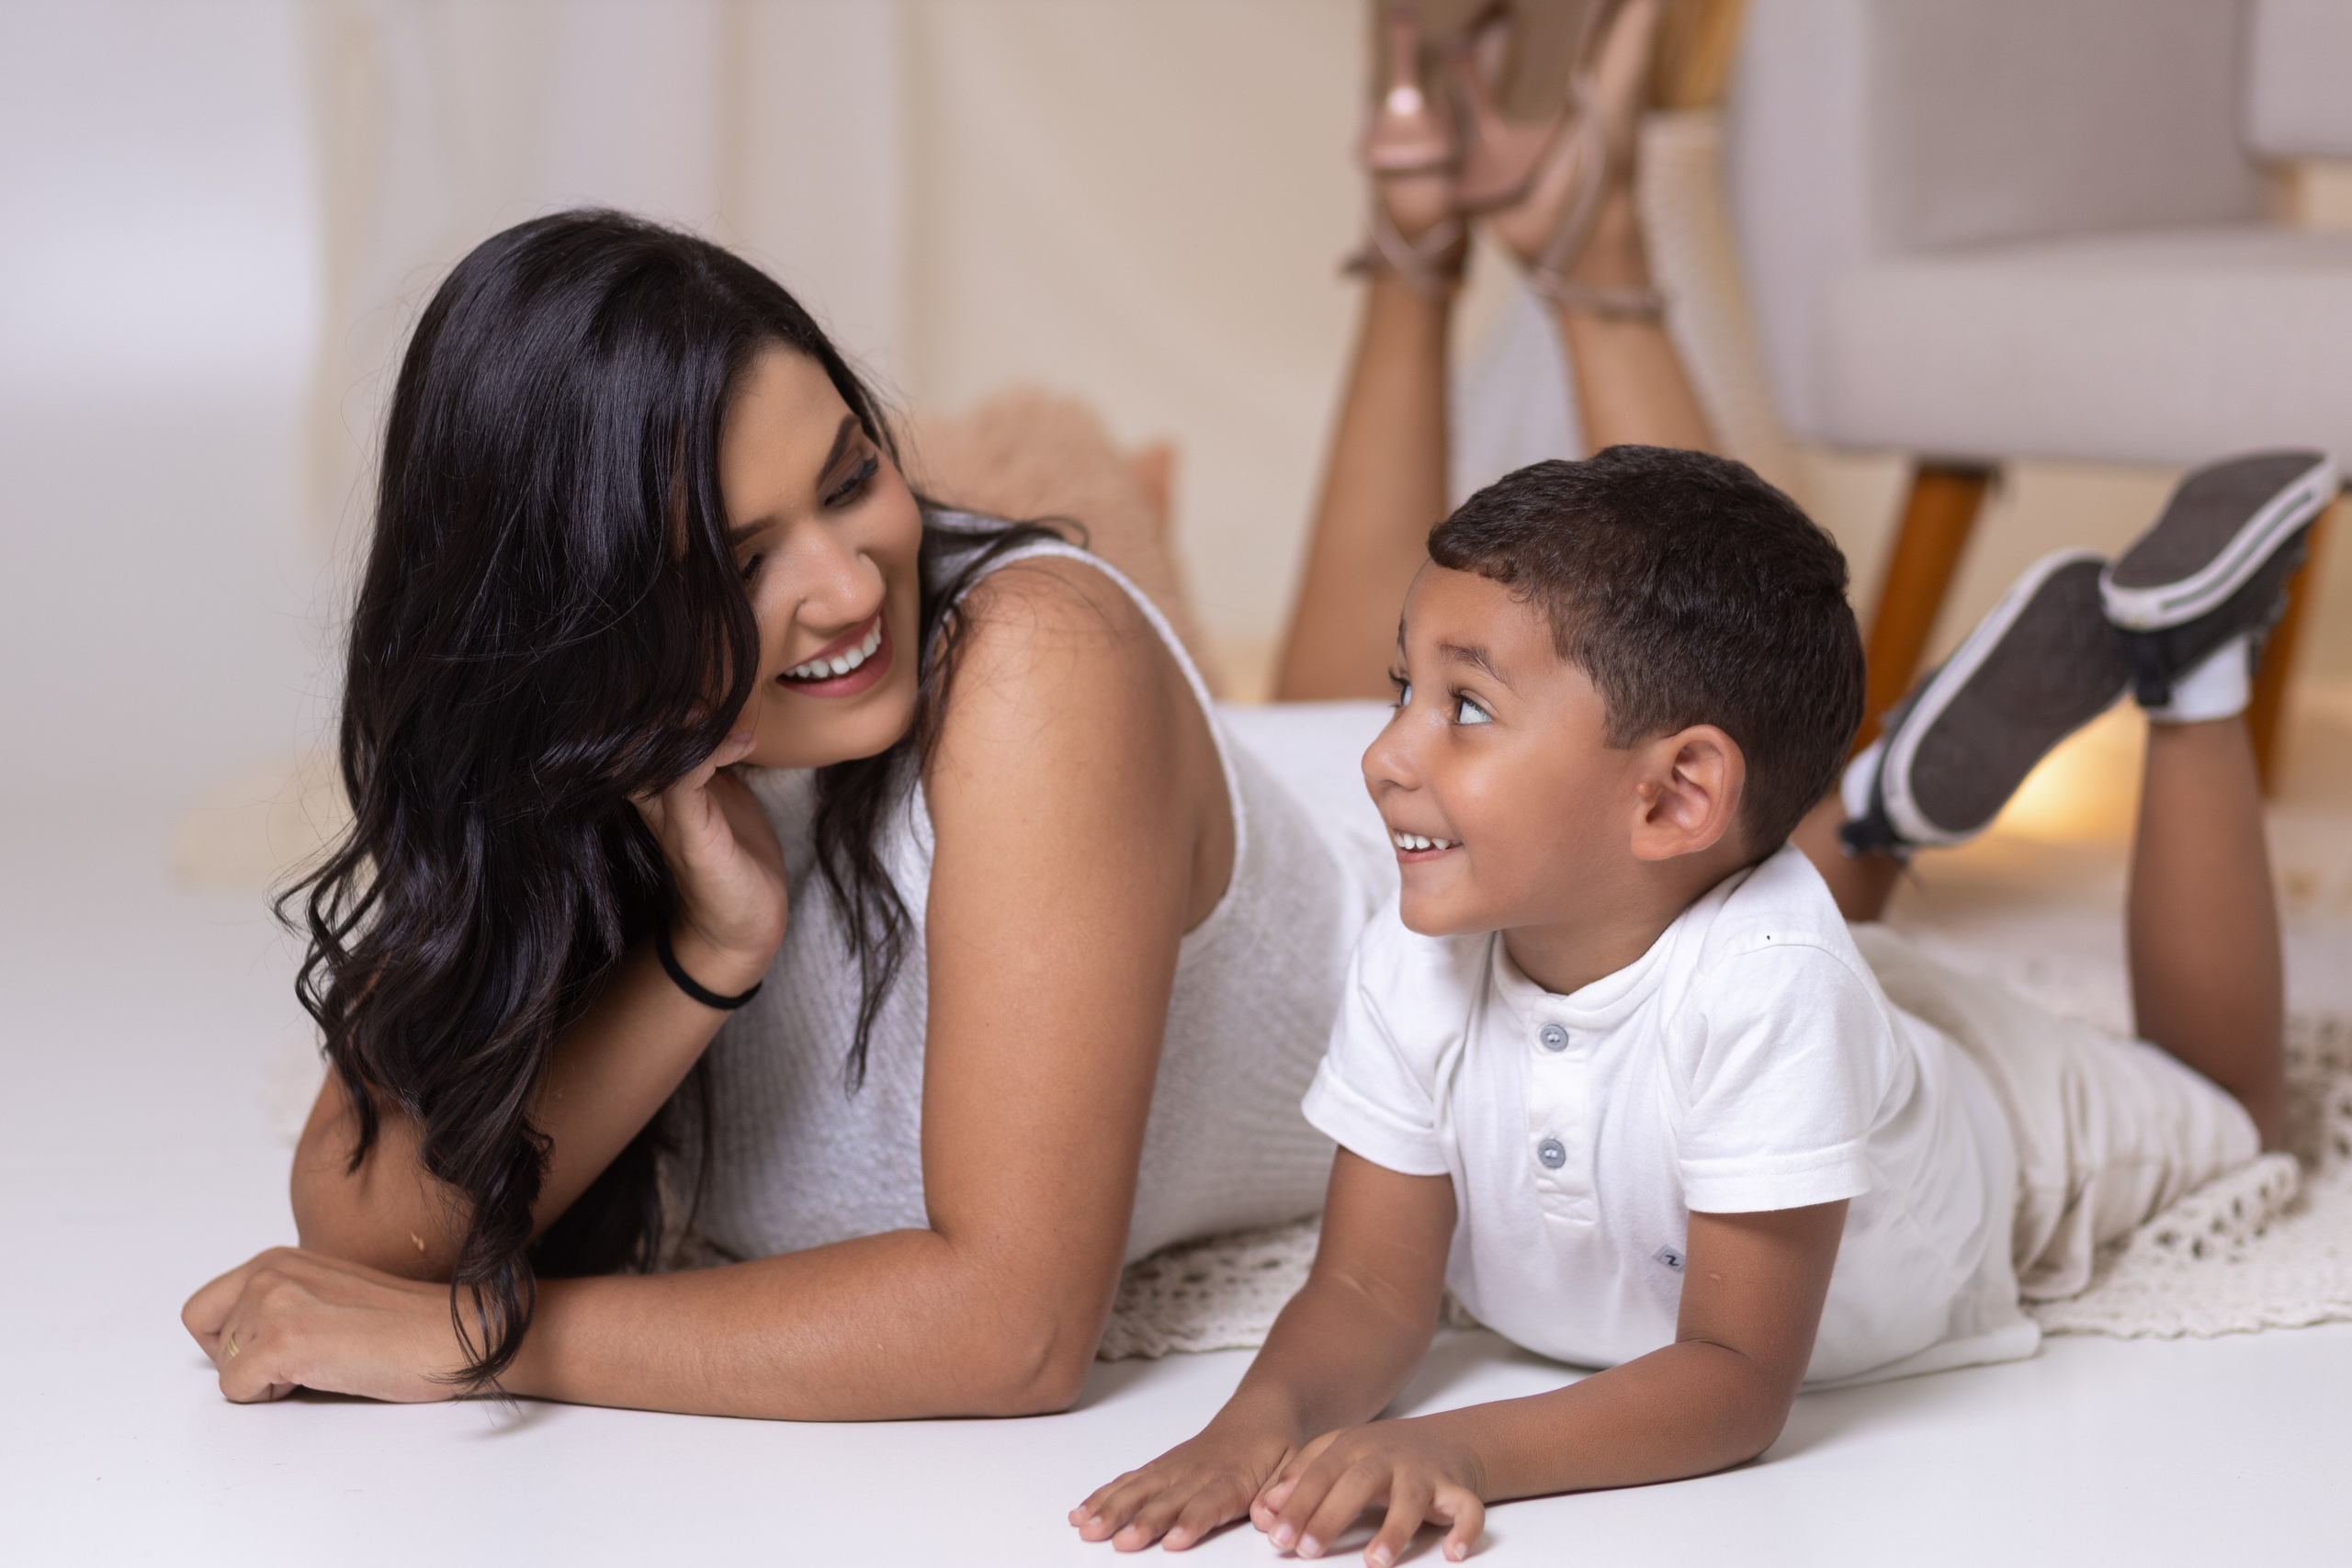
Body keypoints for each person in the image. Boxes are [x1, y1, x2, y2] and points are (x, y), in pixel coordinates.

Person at [177, 0, 1702, 1416]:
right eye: (740, 559)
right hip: (1270, 784)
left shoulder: (1032, 669)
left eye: (851, 475)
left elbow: (1015, 1327)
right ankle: (1417, 237)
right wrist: (708, 956)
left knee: (1754, 843)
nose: (848, 586)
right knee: (1349, 696)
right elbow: (362, 1225)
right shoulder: (612, 765)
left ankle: (1590, 233)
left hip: (1475, 921)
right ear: (571, 626)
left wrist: (487, 1340)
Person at [1069, 442, 2325, 1563]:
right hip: (1754, 958)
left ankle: (2188, 668)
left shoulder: (1773, 987)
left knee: (2232, 1107)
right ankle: (1868, 808)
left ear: (1674, 797)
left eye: (1464, 707)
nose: (1386, 755)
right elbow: (1367, 1292)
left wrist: (1461, 1449)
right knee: (1722, 923)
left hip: (1981, 1127)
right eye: (1404, 689)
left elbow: (1733, 1379)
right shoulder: (1427, 936)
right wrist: (1254, 1429)